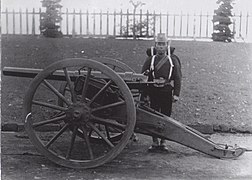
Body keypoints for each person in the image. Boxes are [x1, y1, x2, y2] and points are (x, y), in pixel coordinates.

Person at [141, 33, 182, 151]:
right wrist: (144, 95)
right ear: (155, 45)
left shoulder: (172, 60)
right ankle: (154, 142)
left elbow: (178, 77)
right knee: (153, 117)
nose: (160, 47)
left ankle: (163, 142)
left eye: (163, 44)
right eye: (158, 44)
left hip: (166, 91)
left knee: (166, 116)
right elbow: (143, 77)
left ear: (167, 45)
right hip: (153, 91)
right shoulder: (150, 59)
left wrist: (176, 94)